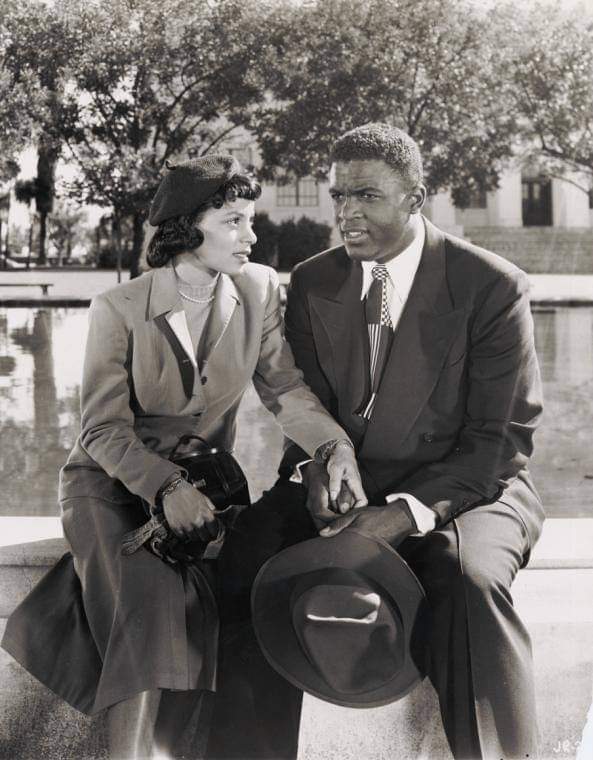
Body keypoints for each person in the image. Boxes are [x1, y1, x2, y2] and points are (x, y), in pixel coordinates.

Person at [1, 155, 367, 760]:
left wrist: (334, 447)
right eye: (234, 221)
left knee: (207, 607)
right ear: (186, 227)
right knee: (150, 603)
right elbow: (101, 428)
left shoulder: (256, 291)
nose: (252, 235)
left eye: (250, 220)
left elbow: (286, 391)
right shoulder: (117, 308)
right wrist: (167, 489)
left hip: (207, 486)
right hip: (108, 483)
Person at [223, 124, 545, 760]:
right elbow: (307, 413)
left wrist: (403, 515)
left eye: (367, 196)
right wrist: (317, 477)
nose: (346, 212)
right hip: (347, 480)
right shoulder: (313, 280)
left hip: (470, 487)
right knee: (246, 554)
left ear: (415, 198)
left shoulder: (491, 287)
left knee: (467, 581)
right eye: (339, 195)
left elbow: (498, 443)